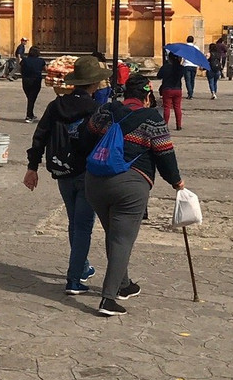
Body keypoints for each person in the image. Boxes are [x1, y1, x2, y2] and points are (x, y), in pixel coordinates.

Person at [80, 73, 184, 317]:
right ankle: (108, 298)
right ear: (147, 97)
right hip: (130, 186)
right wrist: (176, 182)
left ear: (126, 95)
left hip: (94, 182)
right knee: (122, 239)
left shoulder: (105, 112)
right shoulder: (152, 119)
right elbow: (165, 155)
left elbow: (86, 138)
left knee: (114, 234)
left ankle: (124, 284)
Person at [24, 55, 106, 295]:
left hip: (63, 171)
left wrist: (32, 167)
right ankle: (74, 279)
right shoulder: (95, 109)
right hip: (87, 173)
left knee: (74, 221)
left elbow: (39, 136)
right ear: (93, 84)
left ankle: (81, 267)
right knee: (83, 226)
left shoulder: (56, 105)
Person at [157, 52, 185, 130]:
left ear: (169, 58)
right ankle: (178, 125)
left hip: (167, 89)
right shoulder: (181, 68)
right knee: (177, 107)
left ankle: (165, 125)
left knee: (167, 107)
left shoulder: (166, 67)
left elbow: (159, 76)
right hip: (178, 89)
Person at [20, 46, 46, 122]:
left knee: (30, 97)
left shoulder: (25, 60)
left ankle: (31, 114)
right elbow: (45, 69)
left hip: (26, 81)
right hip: (36, 81)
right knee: (32, 98)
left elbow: (20, 68)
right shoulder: (41, 61)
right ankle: (29, 116)